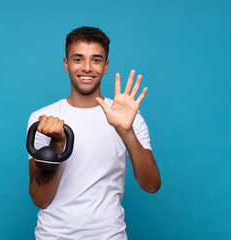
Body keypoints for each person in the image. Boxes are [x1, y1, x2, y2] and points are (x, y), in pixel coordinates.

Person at [27, 26, 161, 240]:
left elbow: (152, 185)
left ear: (106, 66)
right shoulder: (42, 119)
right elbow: (40, 199)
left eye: (96, 60)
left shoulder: (127, 117)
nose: (87, 68)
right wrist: (57, 145)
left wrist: (126, 132)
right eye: (78, 59)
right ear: (66, 64)